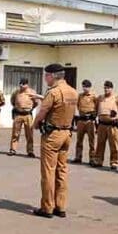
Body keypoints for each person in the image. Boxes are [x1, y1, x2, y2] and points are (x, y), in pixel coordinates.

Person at [33, 63, 78, 218]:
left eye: (46, 75)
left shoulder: (54, 92)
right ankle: (61, 206)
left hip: (53, 135)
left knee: (48, 172)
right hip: (67, 133)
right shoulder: (73, 92)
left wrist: (35, 124)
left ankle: (47, 207)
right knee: (62, 171)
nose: (45, 78)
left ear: (52, 76)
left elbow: (43, 112)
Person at [94, 80, 118, 170]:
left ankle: (114, 162)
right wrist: (96, 119)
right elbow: (96, 109)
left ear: (112, 88)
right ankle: (98, 160)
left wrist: (117, 119)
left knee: (114, 145)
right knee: (100, 144)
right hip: (102, 125)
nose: (106, 89)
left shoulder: (117, 98)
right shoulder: (100, 98)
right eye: (105, 88)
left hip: (112, 125)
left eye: (108, 88)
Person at [8, 77, 41, 157]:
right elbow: (12, 101)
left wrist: (29, 109)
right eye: (20, 84)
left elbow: (36, 103)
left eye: (23, 84)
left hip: (28, 115)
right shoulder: (16, 92)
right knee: (15, 133)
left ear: (27, 84)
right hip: (18, 115)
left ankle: (30, 151)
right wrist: (18, 108)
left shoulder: (32, 92)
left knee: (29, 133)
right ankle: (13, 149)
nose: (21, 85)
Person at [73, 80, 98, 165]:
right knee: (79, 140)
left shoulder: (94, 96)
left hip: (90, 121)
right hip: (81, 120)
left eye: (86, 86)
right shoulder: (80, 96)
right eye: (83, 86)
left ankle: (92, 158)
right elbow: (76, 105)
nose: (85, 88)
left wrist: (95, 116)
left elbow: (97, 107)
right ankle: (78, 157)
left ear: (90, 87)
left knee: (92, 141)